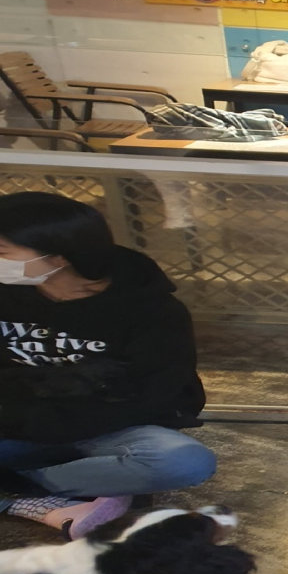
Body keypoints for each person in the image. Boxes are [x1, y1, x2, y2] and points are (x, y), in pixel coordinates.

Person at [0, 192, 216, 538]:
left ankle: (21, 490)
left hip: (108, 431)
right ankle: (80, 492)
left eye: (3, 252)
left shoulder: (152, 310)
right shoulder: (8, 290)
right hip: (14, 424)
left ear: (59, 255)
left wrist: (53, 422)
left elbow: (154, 395)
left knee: (184, 461)